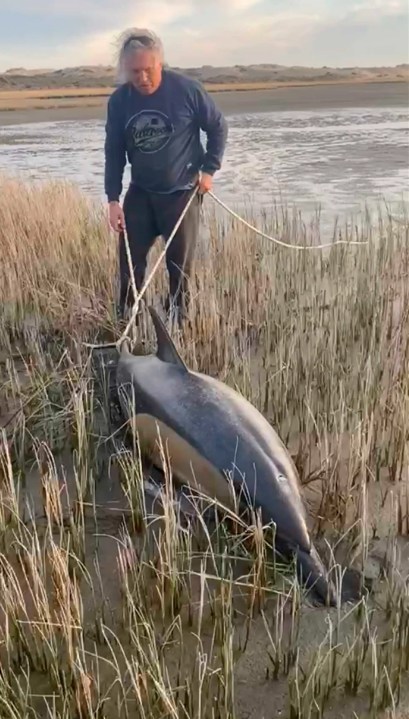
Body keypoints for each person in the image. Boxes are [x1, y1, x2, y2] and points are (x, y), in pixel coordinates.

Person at [104, 27, 228, 327]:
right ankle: (127, 323)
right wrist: (113, 199)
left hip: (182, 193)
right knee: (129, 265)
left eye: (148, 69)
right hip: (141, 193)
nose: (143, 78)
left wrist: (209, 170)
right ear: (125, 69)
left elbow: (218, 127)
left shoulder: (187, 90)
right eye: (135, 72)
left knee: (179, 268)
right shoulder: (119, 101)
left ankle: (178, 324)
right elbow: (114, 151)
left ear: (160, 63)